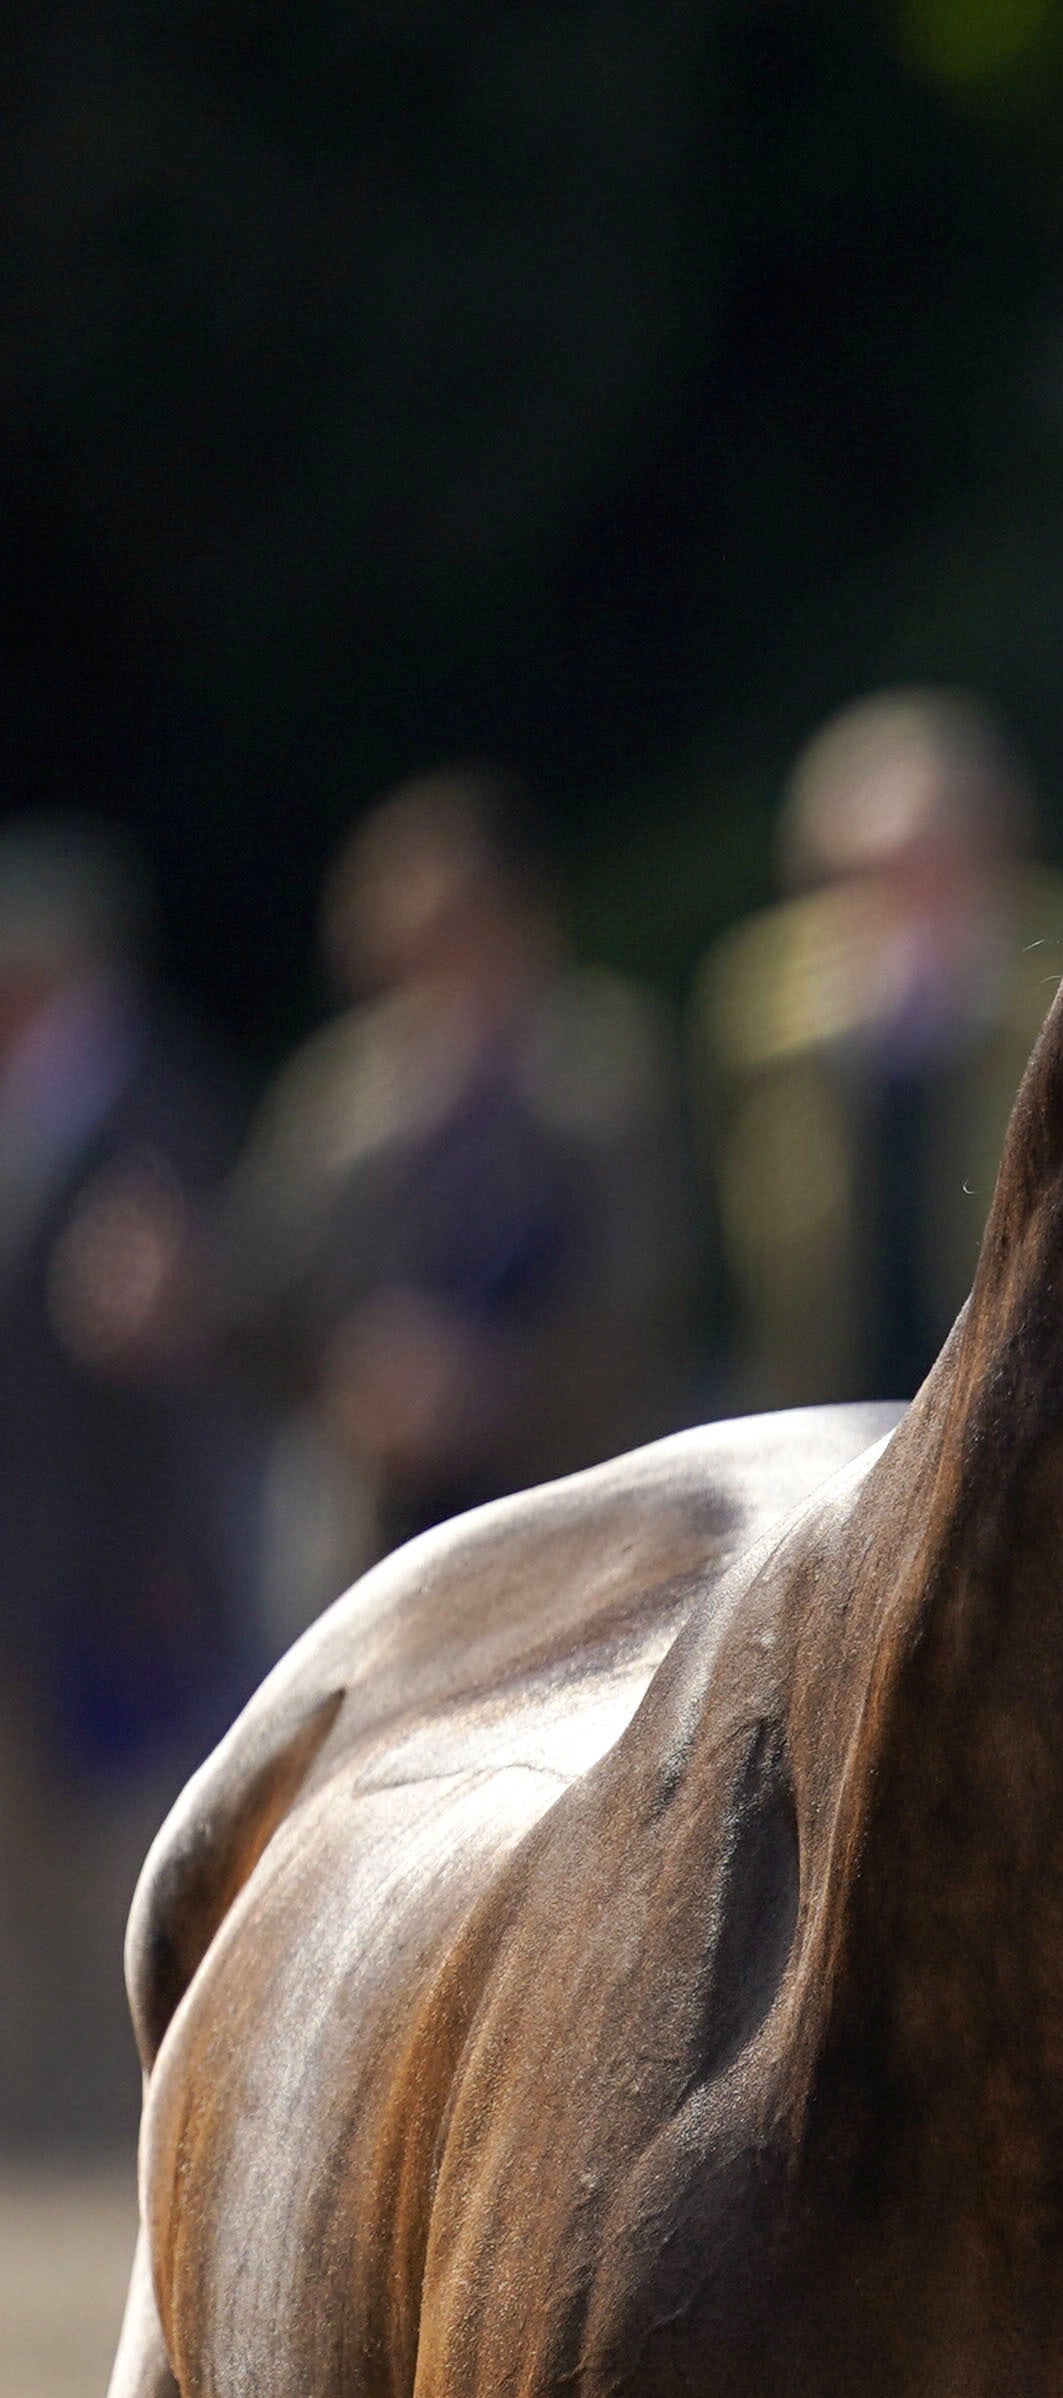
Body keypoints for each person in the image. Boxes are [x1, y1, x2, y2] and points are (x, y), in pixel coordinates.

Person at [217, 770, 693, 1622]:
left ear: (519, 924)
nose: (431, 976)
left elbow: (648, 1283)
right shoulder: (336, 1096)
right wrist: (357, 1378)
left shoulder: (604, 1069)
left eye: (456, 936)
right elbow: (271, 1288)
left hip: (580, 1506)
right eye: (399, 955)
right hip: (383, 1537)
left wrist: (491, 1385)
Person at [0, 818, 247, 2139]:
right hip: (27, 1581)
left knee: (119, 1889)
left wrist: (164, 1571)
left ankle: (117, 2166)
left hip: (122, 1580)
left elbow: (182, 1364)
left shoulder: (159, 1104)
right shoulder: (33, 1106)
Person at [693, 690, 1063, 1409]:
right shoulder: (763, 986)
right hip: (825, 1366)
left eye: (933, 859)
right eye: (870, 869)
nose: (905, 890)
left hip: (1023, 1361)